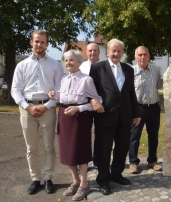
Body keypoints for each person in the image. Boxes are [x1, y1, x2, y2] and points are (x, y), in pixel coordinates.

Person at [11, 30, 64, 195]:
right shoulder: (22, 65)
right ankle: (35, 179)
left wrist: (46, 105)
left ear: (47, 44)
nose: (39, 45)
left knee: (49, 146)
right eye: (37, 41)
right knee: (31, 147)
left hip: (47, 109)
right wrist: (28, 107)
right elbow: (15, 90)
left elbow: (60, 89)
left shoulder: (55, 65)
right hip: (27, 109)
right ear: (31, 42)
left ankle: (48, 178)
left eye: (42, 42)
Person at [89, 39, 141, 195]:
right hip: (105, 115)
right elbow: (90, 91)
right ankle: (103, 180)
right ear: (108, 52)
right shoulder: (98, 68)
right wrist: (93, 102)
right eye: (113, 51)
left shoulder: (128, 69)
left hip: (125, 116)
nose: (116, 54)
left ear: (123, 53)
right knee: (103, 150)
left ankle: (117, 175)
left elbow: (131, 92)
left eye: (119, 51)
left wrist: (136, 113)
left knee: (121, 148)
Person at [51, 50, 104, 201]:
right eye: (66, 60)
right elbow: (60, 96)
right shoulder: (62, 79)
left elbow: (97, 101)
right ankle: (75, 181)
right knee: (67, 151)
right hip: (64, 116)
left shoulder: (86, 80)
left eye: (71, 60)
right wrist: (52, 94)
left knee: (80, 151)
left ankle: (84, 184)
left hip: (80, 118)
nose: (68, 63)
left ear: (80, 62)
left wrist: (78, 108)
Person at [128, 46, 163, 174]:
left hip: (153, 107)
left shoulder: (156, 70)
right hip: (138, 108)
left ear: (149, 56)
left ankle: (152, 161)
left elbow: (161, 85)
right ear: (135, 57)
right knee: (134, 136)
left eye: (145, 55)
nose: (142, 57)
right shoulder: (131, 71)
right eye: (140, 55)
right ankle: (133, 162)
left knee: (153, 135)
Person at [79, 42, 101, 170]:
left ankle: (97, 161)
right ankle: (84, 163)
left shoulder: (104, 66)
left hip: (100, 106)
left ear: (99, 52)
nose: (92, 53)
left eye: (95, 50)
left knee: (99, 134)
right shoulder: (81, 67)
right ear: (86, 53)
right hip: (84, 106)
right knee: (84, 135)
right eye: (90, 51)